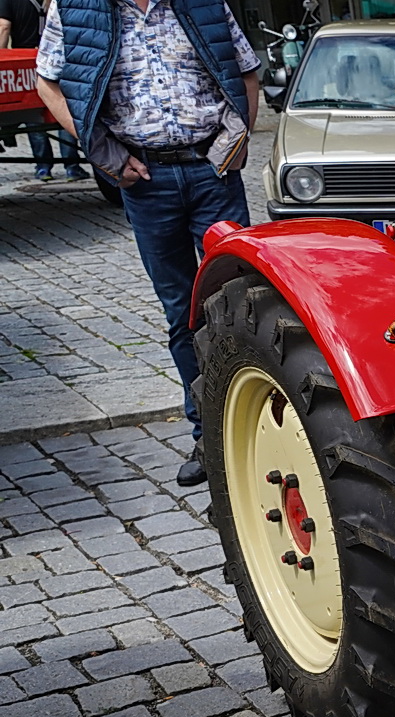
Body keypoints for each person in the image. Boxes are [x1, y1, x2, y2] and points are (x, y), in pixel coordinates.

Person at [36, 0, 260, 487]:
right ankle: (208, 437)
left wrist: (237, 139)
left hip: (213, 172)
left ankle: (257, 424)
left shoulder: (203, 2)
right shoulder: (75, 8)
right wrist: (105, 153)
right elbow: (48, 83)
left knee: (243, 299)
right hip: (146, 181)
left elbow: (246, 70)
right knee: (182, 311)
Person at [0, 0, 85, 180]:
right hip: (57, 58)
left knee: (33, 115)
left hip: (24, 60)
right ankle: (72, 166)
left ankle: (43, 167)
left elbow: (4, 27)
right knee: (62, 108)